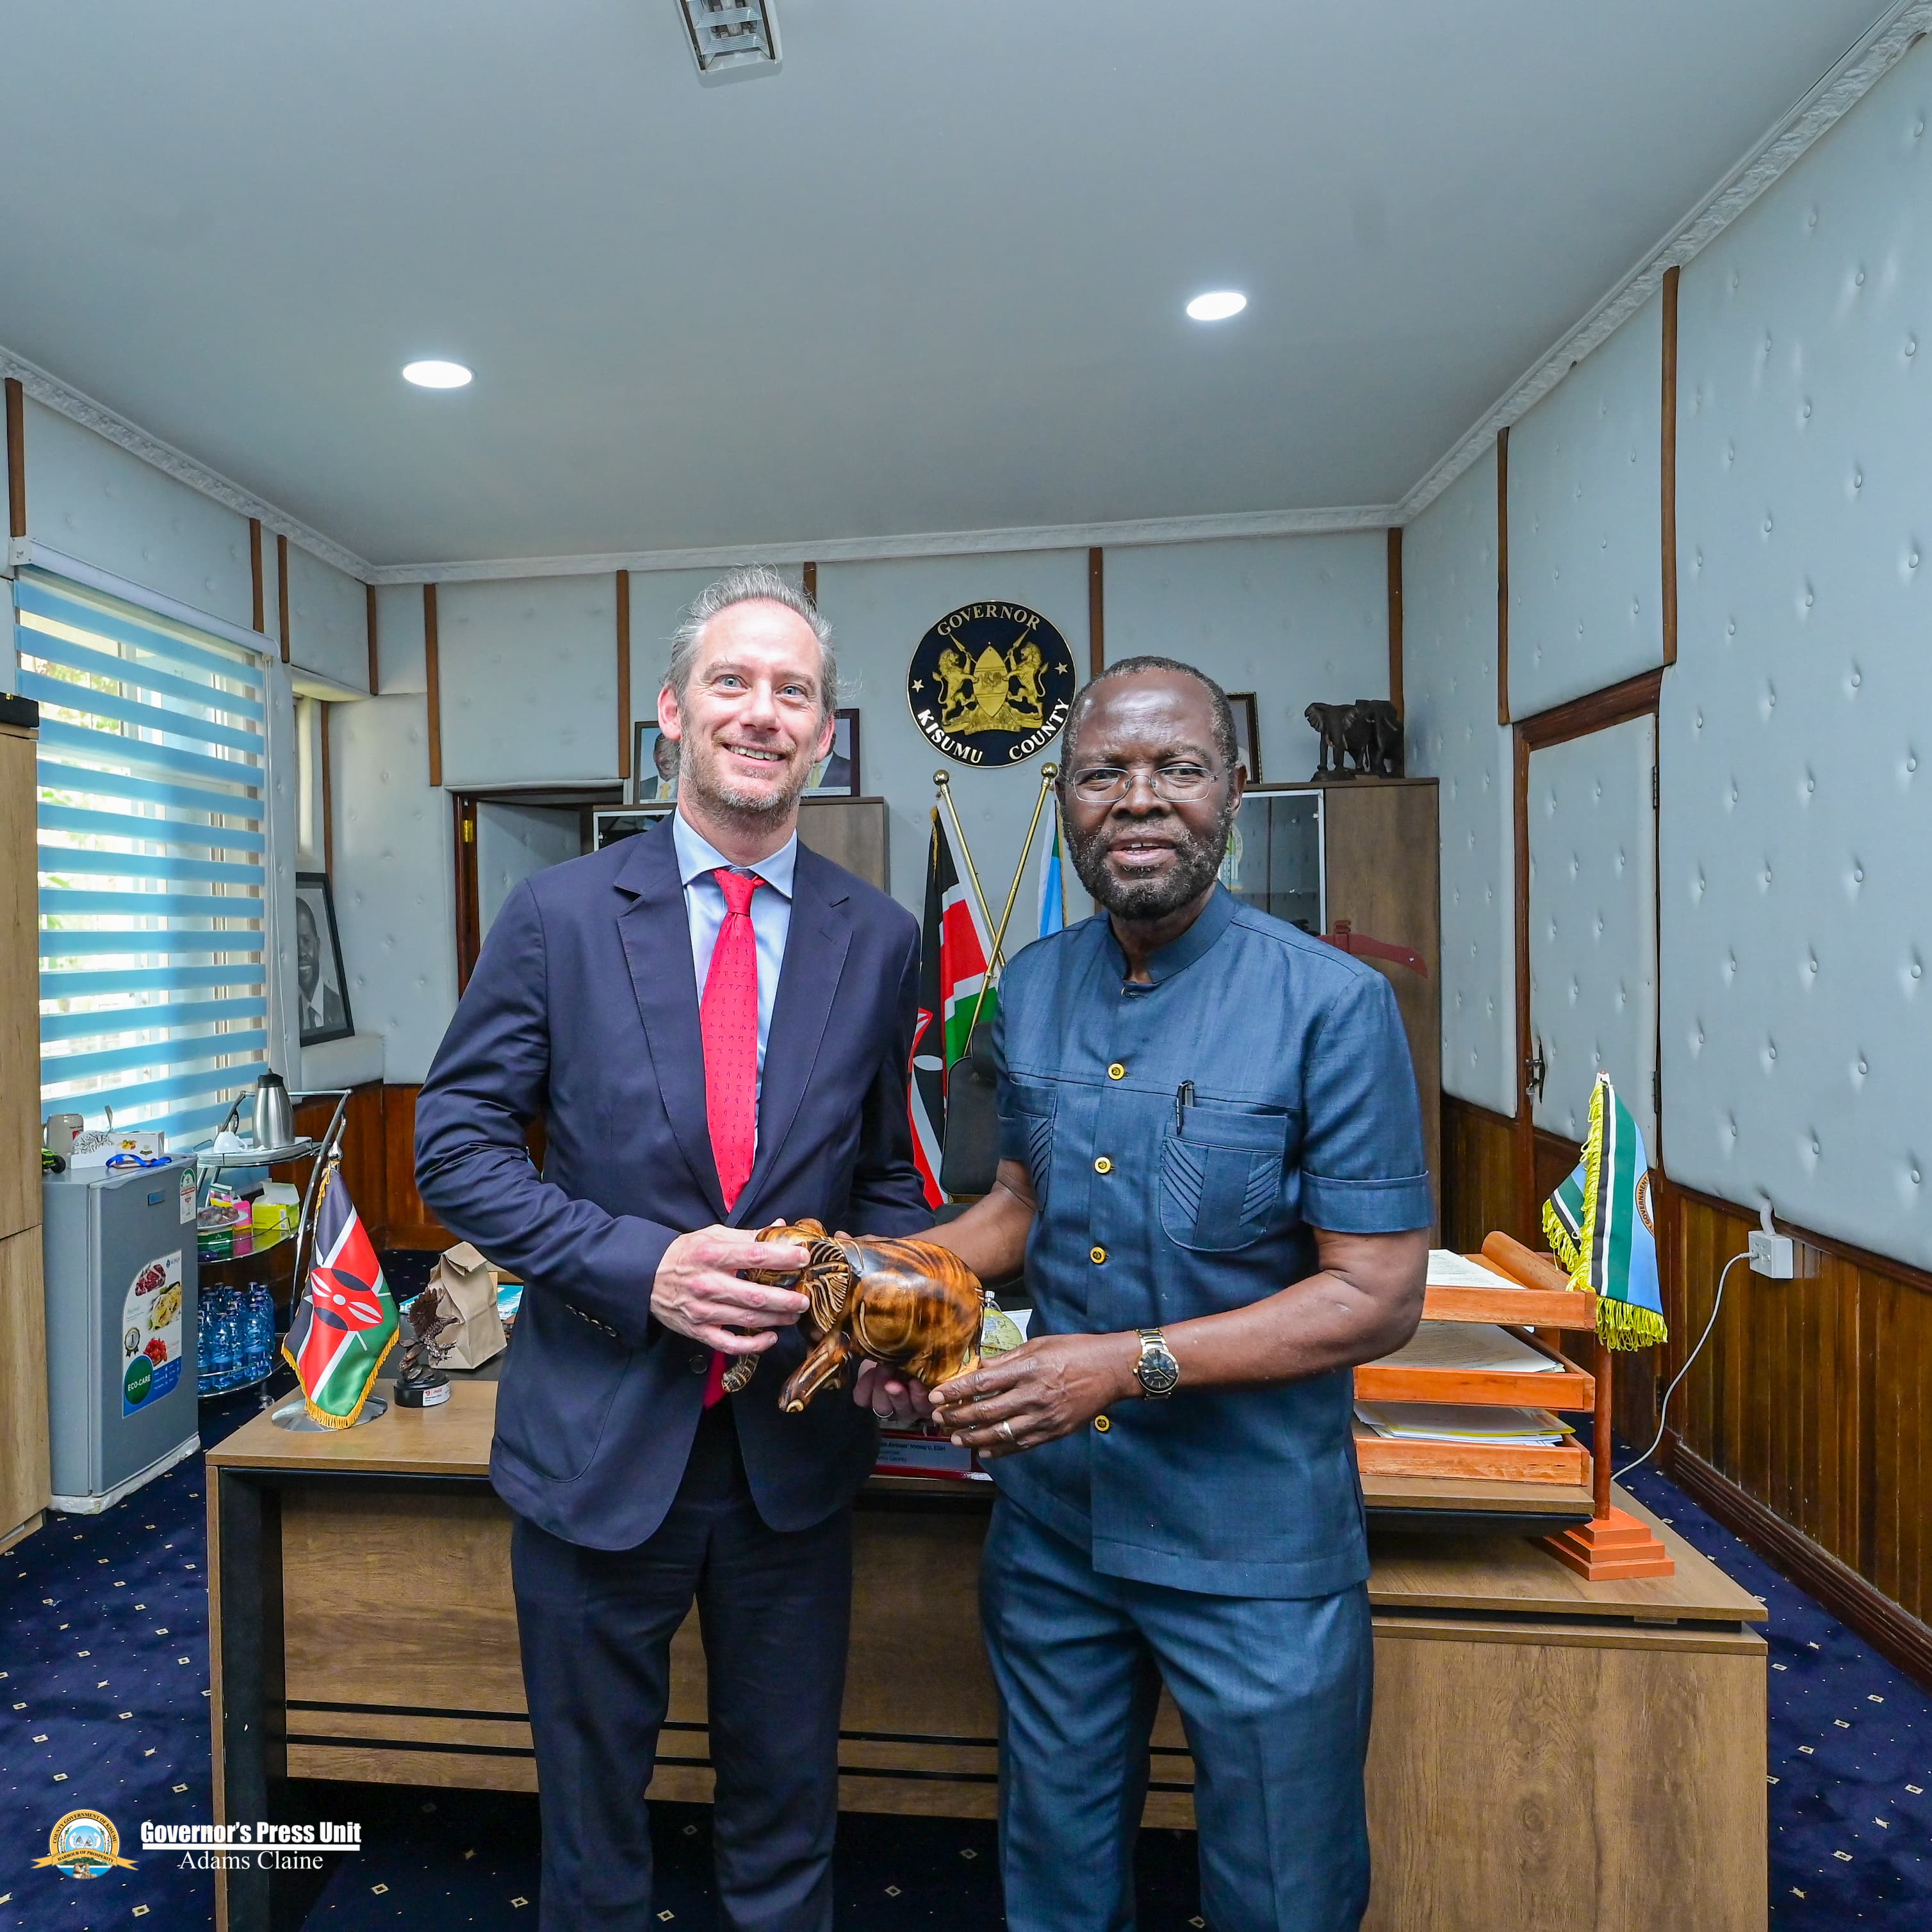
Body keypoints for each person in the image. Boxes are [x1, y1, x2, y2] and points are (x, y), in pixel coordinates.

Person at [414, 565, 931, 1932]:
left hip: (790, 1458)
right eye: (732, 681)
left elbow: (884, 1168)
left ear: (826, 733)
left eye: (794, 691)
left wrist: (887, 1303)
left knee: (785, 1813)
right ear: (670, 712)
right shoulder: (558, 914)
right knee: (590, 1834)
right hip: (596, 1436)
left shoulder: (876, 938)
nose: (762, 713)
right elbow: (455, 1144)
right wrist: (630, 1264)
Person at [915, 656, 1432, 1932]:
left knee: (1279, 1885)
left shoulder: (1332, 1001)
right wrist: (886, 1270)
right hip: (1051, 1530)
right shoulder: (1028, 984)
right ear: (1070, 796)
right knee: (1053, 1865)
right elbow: (1019, 1206)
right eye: (1102, 772)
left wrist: (1120, 1362)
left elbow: (1373, 1294)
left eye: (1175, 768)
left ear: (1232, 792)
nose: (1136, 798)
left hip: (1250, 1539)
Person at [295, 892, 347, 1038]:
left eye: (306, 941)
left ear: (318, 945)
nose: (301, 952)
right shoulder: (290, 1016)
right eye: (294, 943)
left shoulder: (341, 1011)